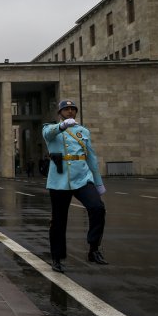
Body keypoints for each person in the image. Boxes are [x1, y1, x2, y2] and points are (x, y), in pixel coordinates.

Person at [43, 99, 107, 273]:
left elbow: (91, 158)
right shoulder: (51, 129)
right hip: (59, 181)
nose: (70, 111)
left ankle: (94, 248)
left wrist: (98, 182)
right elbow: (48, 134)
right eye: (66, 109)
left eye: (73, 109)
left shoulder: (83, 132)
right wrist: (62, 126)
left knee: (97, 208)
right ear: (60, 113)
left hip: (82, 178)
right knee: (58, 220)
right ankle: (57, 257)